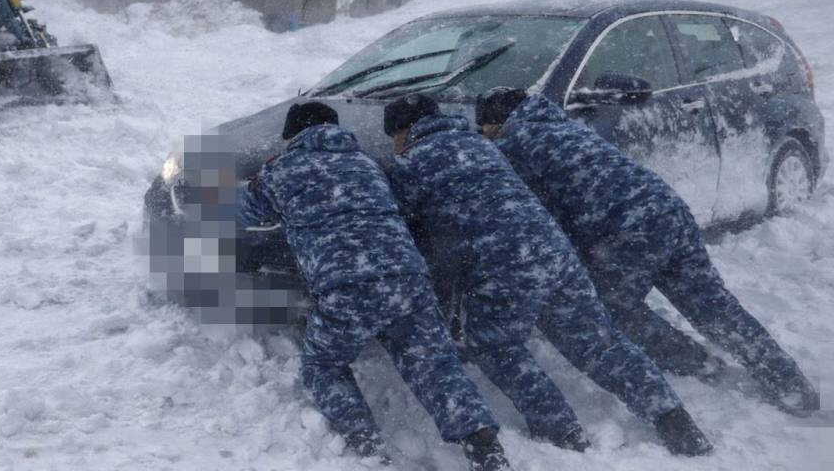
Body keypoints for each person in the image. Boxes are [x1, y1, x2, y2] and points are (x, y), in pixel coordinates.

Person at [384, 93, 712, 456]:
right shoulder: (484, 145)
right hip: (553, 251)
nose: (394, 147)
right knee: (597, 341)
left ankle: (562, 432)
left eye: (393, 138)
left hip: (502, 262)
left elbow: (415, 237)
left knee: (496, 344)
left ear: (403, 133)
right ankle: (673, 417)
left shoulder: (411, 165)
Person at [480, 87, 821, 415]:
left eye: (485, 127)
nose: (484, 135)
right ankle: (789, 383)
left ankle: (693, 363)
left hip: (627, 229)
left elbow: (528, 217)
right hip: (668, 209)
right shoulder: (565, 127)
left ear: (496, 122)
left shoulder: (513, 143)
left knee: (607, 307)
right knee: (713, 305)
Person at [240, 101, 510, 470]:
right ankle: (484, 447)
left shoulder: (281, 170)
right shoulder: (369, 163)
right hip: (407, 280)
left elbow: (245, 212)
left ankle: (368, 449)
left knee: (324, 364)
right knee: (435, 365)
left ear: (293, 136)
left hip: (345, 288)